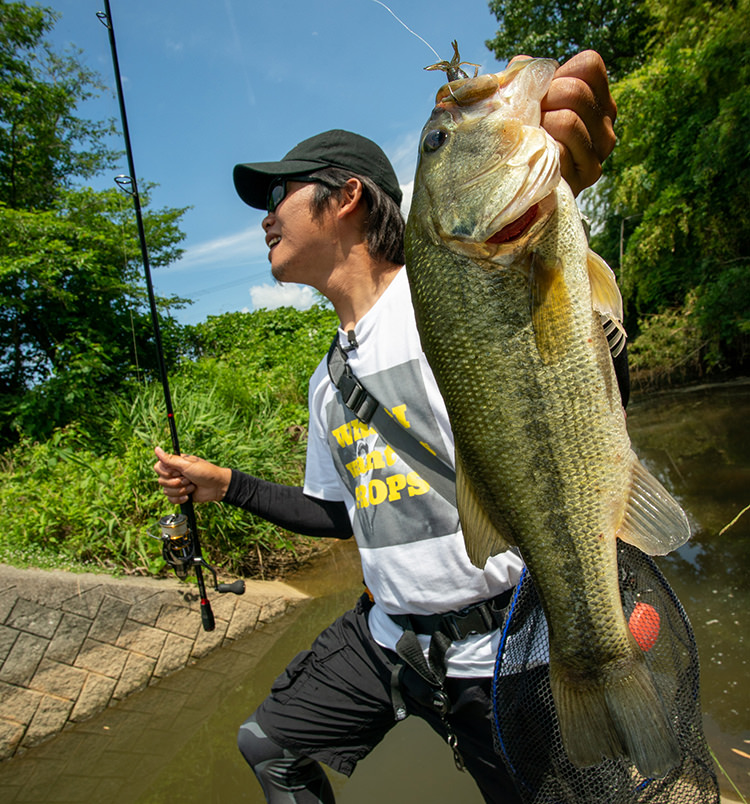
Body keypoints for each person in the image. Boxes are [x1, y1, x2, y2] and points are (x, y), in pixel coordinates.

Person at [154, 51, 619, 804]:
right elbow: (342, 516)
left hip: (508, 649)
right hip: (391, 642)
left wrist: (561, 191)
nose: (264, 215)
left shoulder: (453, 288)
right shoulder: (326, 379)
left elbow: (577, 395)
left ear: (347, 198)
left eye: (279, 192)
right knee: (268, 746)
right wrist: (224, 486)